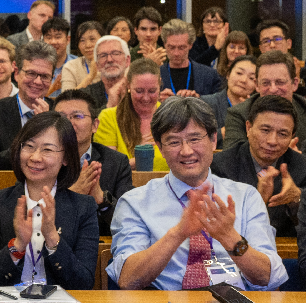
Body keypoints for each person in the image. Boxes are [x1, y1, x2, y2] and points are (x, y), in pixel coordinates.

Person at [108, 97, 286, 290]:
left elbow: (268, 277)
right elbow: (128, 280)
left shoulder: (245, 197)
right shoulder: (135, 202)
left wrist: (230, 238)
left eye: (194, 139)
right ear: (160, 148)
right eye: (174, 142)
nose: (186, 151)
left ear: (213, 140)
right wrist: (177, 234)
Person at [0, 111, 98, 289]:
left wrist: (52, 237)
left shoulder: (84, 207)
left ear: (66, 158)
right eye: (29, 146)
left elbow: (84, 284)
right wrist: (17, 246)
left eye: (47, 149)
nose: (35, 157)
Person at [211, 95, 305, 239]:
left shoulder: (302, 167)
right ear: (248, 128)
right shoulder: (221, 166)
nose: (272, 141)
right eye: (265, 130)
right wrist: (258, 199)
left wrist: (297, 200)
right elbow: (214, 226)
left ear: (292, 136)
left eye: (282, 134)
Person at [53, 89, 133, 236]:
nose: (69, 123)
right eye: (61, 117)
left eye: (77, 116)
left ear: (95, 125)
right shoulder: (41, 161)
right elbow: (33, 216)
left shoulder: (116, 162)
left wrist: (102, 200)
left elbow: (129, 220)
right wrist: (73, 195)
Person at [0, 40, 57, 169]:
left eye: (45, 76)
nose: (38, 81)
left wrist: (49, 128)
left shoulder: (59, 112)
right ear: (17, 73)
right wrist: (34, 131)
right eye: (31, 73)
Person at [94, 57, 168, 172]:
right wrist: (140, 156)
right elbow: (108, 169)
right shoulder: (108, 118)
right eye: (139, 91)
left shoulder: (170, 116)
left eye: (152, 91)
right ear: (128, 85)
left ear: (160, 84)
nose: (146, 98)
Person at [223, 50, 306, 148]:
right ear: (257, 85)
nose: (273, 89)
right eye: (266, 83)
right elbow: (233, 154)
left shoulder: (303, 107)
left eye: (280, 82)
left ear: (295, 84)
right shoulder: (239, 114)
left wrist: (299, 157)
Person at [159, 19, 223, 96]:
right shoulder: (156, 74)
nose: (176, 53)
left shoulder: (210, 76)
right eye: (171, 47)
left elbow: (218, 102)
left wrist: (198, 100)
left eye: (181, 48)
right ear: (164, 44)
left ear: (191, 45)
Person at [202, 55, 256, 139]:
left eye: (251, 78)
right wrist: (222, 133)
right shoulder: (206, 103)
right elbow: (198, 137)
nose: (244, 80)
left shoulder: (257, 110)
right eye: (239, 73)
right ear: (228, 74)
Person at [82, 35, 130, 110]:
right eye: (103, 55)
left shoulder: (138, 91)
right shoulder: (85, 96)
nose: (109, 59)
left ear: (127, 60)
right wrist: (109, 105)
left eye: (115, 53)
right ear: (97, 65)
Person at [58, 20, 103, 91]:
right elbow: (66, 97)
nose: (88, 45)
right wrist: (90, 77)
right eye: (82, 40)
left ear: (103, 40)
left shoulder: (113, 63)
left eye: (92, 39)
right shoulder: (71, 67)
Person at [42, 16, 75, 84]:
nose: (53, 42)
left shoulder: (77, 64)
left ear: (68, 39)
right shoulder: (36, 65)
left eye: (58, 37)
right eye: (49, 37)